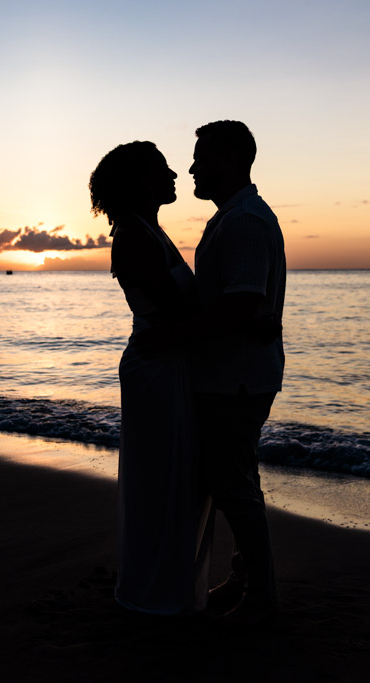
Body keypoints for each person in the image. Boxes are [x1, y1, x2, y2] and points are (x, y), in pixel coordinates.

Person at [89, 141, 211, 615]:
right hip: (156, 370)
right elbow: (179, 309)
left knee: (177, 478)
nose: (175, 174)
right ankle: (155, 593)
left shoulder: (150, 231)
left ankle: (171, 589)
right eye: (164, 167)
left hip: (169, 363)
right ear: (143, 180)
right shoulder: (135, 236)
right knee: (162, 481)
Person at [190, 120, 285, 623]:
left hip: (238, 377)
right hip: (236, 374)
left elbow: (243, 304)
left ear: (228, 160)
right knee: (237, 479)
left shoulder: (245, 221)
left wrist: (176, 333)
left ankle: (261, 594)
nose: (192, 168)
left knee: (233, 486)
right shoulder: (234, 216)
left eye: (201, 158)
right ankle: (248, 577)